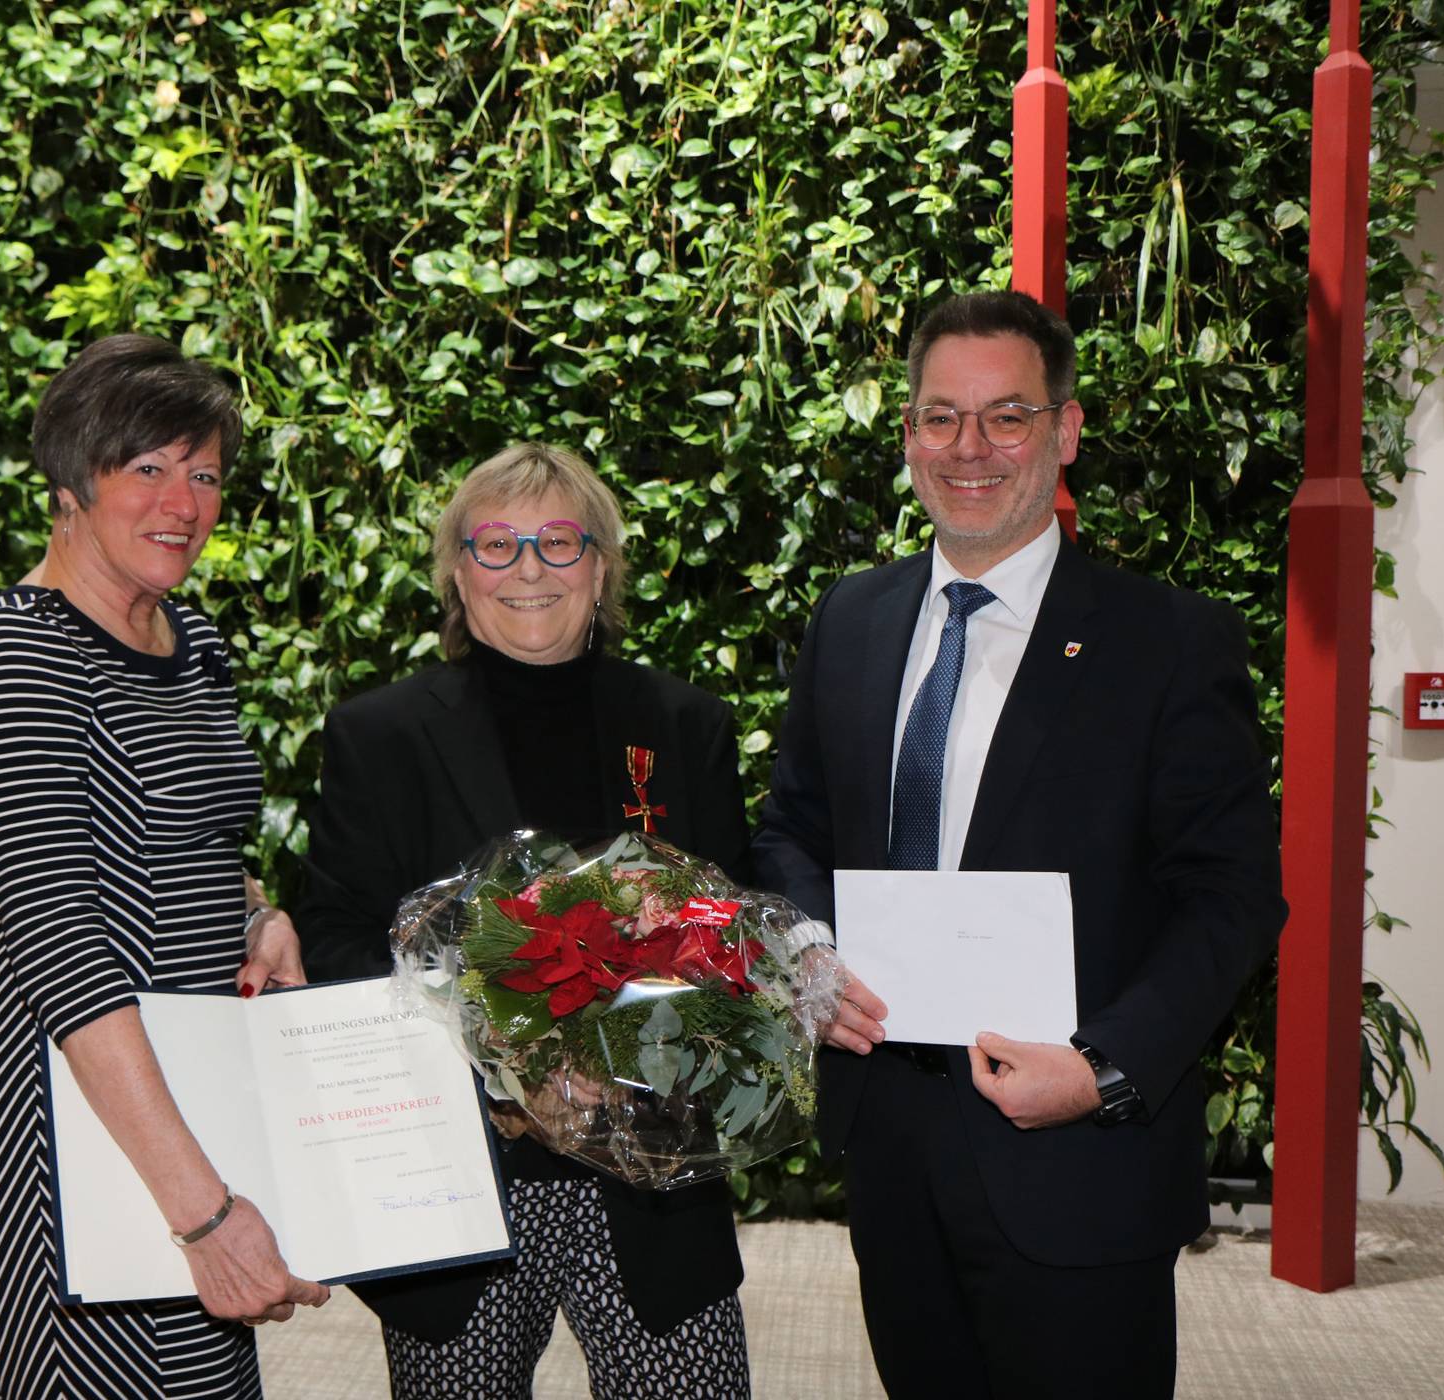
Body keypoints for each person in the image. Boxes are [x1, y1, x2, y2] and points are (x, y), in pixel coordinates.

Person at [753, 290, 1286, 1399]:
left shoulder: (1170, 640)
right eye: (940, 417)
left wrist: (1103, 1067)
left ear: (1065, 429)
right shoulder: (850, 618)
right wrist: (807, 951)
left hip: (1080, 1153)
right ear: (908, 433)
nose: (971, 448)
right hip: (890, 1136)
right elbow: (792, 823)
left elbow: (1231, 897)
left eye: (1006, 415)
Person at [297, 443, 753, 1399]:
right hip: (457, 1185)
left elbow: (731, 939)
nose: (531, 569)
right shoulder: (377, 738)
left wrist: (640, 1042)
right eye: (496, 546)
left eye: (558, 541)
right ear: (458, 575)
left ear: (600, 567)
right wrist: (501, 1068)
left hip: (653, 1181)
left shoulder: (685, 727)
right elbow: (337, 937)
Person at [0, 334, 329, 1399]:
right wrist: (201, 1209)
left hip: (182, 1077)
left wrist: (254, 915)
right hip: (66, 1101)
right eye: (146, 467)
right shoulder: (18, 662)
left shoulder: (187, 636)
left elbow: (179, 842)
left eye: (203, 474)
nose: (183, 501)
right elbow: (57, 941)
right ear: (70, 481)